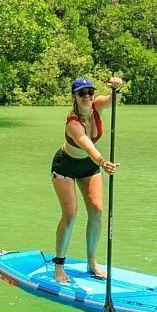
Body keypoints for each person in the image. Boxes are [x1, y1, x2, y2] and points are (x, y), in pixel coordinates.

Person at [50, 75, 123, 284]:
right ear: (74, 96)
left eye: (90, 92)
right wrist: (102, 161)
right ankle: (59, 265)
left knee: (97, 210)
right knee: (71, 214)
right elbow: (87, 144)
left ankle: (91, 262)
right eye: (82, 93)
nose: (87, 96)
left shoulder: (97, 106)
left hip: (89, 166)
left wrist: (117, 88)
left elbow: (112, 100)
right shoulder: (72, 123)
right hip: (66, 166)